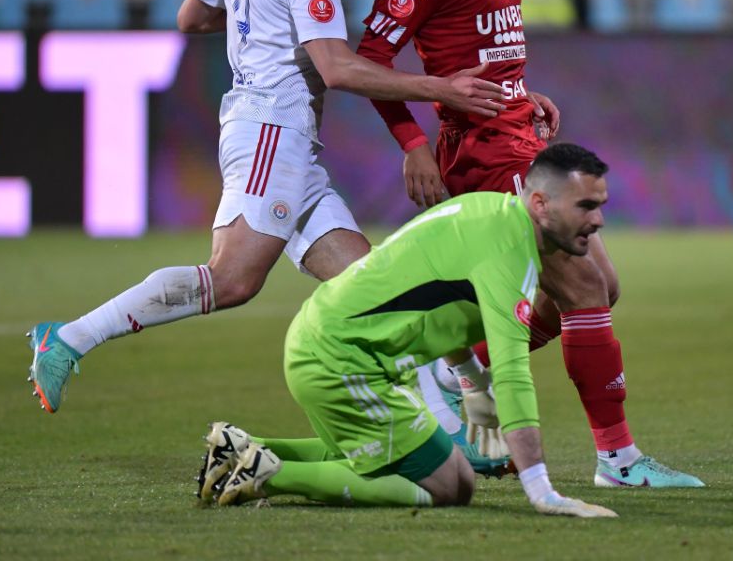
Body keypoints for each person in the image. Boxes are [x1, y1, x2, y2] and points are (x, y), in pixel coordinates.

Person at [25, 0, 504, 415]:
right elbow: (339, 70)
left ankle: (463, 414)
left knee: (371, 281)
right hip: (270, 132)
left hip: (284, 140)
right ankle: (68, 338)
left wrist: (284, 10)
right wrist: (441, 89)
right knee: (232, 280)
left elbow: (191, 16)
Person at [355, 0, 703, 488]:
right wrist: (413, 144)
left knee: (602, 286)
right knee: (582, 283)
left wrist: (521, 88)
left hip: (516, 132)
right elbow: (369, 58)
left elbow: (477, 48)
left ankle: (453, 365)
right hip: (483, 150)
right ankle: (617, 460)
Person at [198, 144, 618, 516]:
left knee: (396, 455)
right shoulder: (511, 253)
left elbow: (440, 300)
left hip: (331, 343)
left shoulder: (492, 212)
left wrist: (473, 385)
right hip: (342, 361)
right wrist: (541, 490)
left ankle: (243, 448)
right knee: (451, 486)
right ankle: (269, 475)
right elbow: (513, 376)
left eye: (599, 205)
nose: (598, 220)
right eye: (585, 206)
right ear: (541, 204)